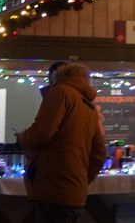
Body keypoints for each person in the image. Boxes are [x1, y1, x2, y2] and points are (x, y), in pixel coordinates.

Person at [17, 62, 107, 223]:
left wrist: (22, 138)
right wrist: (80, 180)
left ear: (59, 76)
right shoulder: (90, 107)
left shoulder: (59, 92)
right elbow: (99, 154)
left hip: (54, 187)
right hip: (74, 191)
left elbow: (42, 132)